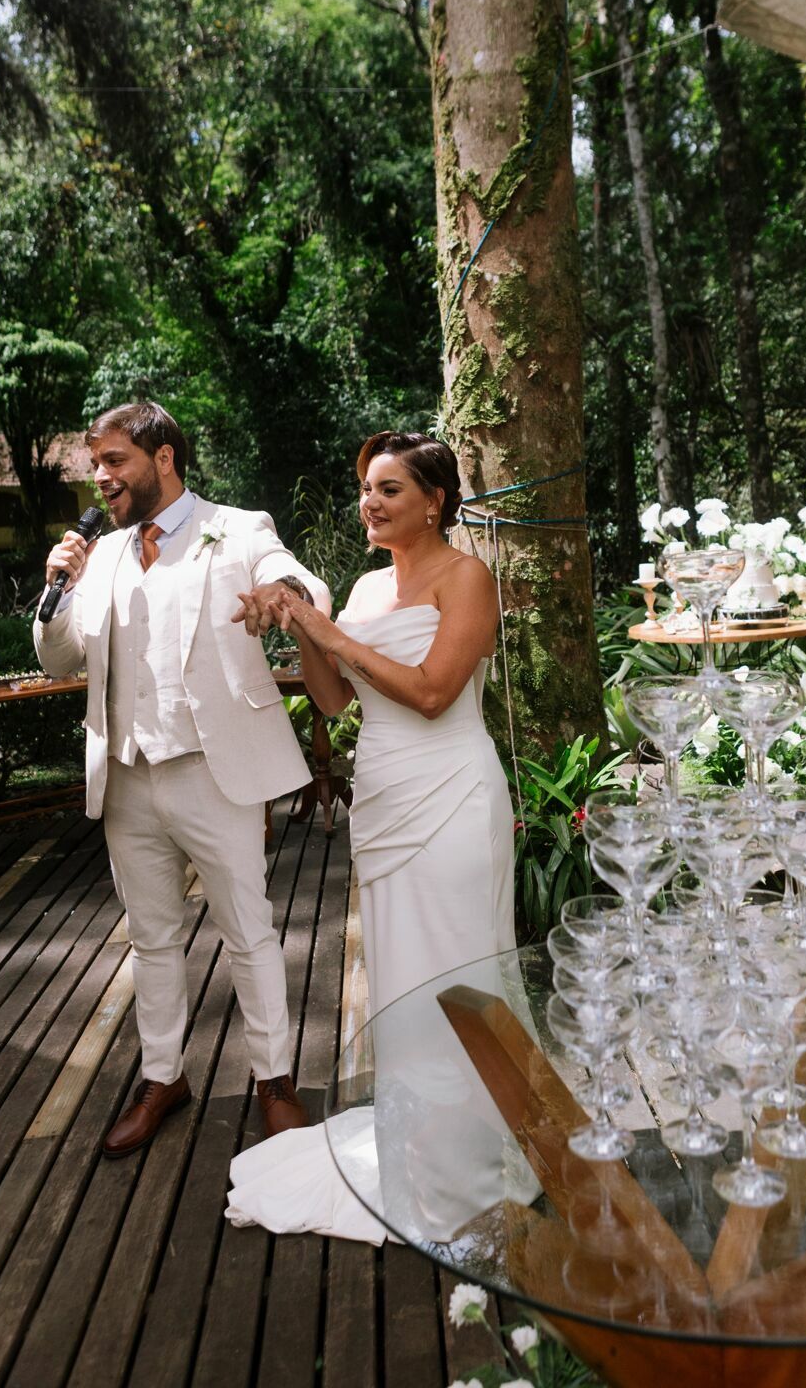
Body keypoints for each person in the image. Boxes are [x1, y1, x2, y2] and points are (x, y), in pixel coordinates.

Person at [226, 430, 534, 1242]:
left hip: (454, 795)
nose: (369, 501)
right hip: (388, 798)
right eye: (365, 487)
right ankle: (424, 1143)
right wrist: (300, 624)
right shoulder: (361, 591)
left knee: (463, 967)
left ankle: (482, 1153)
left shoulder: (467, 576)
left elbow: (434, 693)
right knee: (404, 976)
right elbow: (333, 702)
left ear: (434, 501)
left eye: (388, 489)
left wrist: (329, 635)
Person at [34, 401, 330, 1158]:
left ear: (162, 458)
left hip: (213, 772)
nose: (101, 478)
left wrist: (285, 596)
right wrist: (57, 589)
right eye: (95, 464)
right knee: (151, 939)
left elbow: (295, 580)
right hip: (127, 780)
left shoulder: (237, 527)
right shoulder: (98, 554)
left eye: (113, 461)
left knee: (250, 933)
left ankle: (275, 1081)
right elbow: (59, 661)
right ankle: (163, 1078)